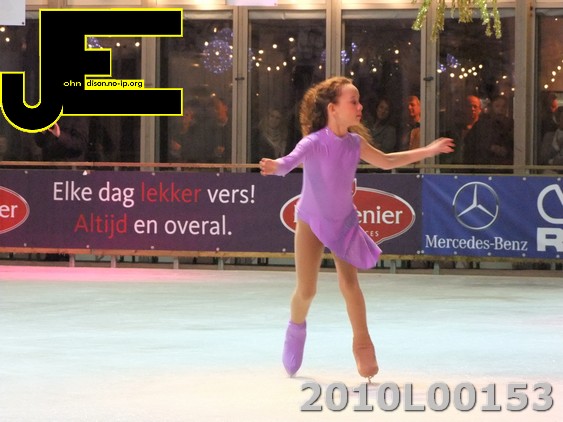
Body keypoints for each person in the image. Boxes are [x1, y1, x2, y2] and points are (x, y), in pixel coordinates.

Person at [259, 77, 454, 380]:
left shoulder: (354, 143)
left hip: (344, 222)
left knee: (350, 285)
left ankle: (362, 343)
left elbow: (386, 161)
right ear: (333, 108)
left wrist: (427, 151)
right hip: (310, 220)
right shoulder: (314, 141)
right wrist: (276, 166)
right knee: (307, 290)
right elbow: (290, 161)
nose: (360, 106)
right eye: (354, 101)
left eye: (359, 101)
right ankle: (295, 328)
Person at [539, 106, 563, 173]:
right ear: (557, 119)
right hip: (549, 173)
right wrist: (556, 147)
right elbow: (543, 157)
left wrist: (551, 161)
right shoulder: (548, 136)